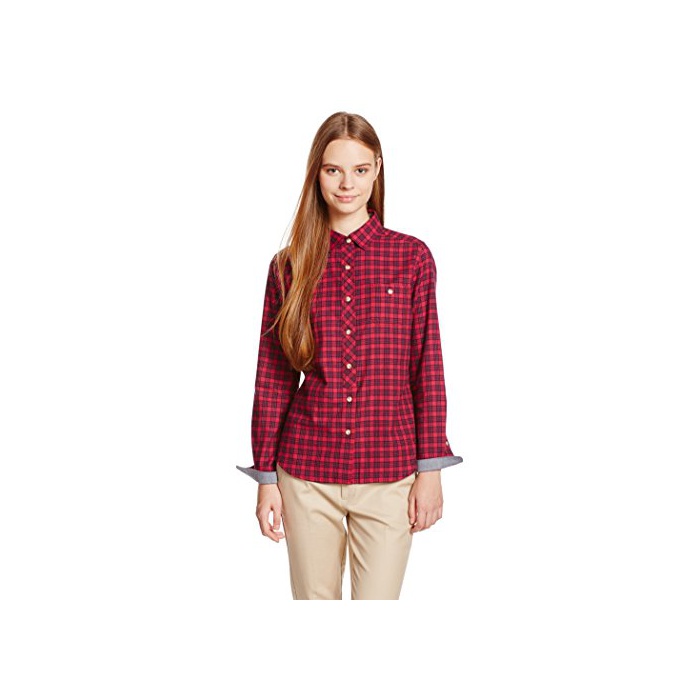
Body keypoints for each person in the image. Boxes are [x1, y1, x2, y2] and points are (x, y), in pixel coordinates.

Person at [237, 111, 463, 600]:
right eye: (333, 170)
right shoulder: (289, 265)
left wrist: (430, 470)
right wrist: (266, 477)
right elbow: (272, 376)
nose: (347, 184)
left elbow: (427, 367)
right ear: (316, 173)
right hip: (305, 471)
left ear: (377, 169)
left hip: (390, 472)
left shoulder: (411, 258)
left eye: (360, 170)